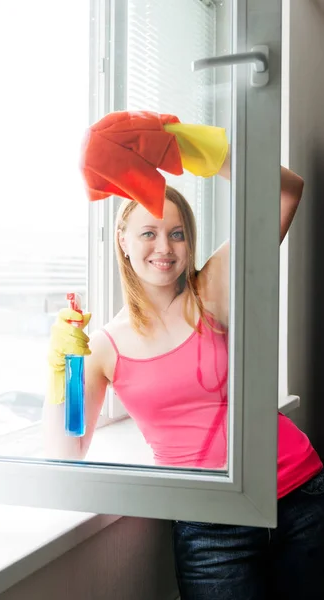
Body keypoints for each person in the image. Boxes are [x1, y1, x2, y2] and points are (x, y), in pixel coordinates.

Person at [43, 150, 324, 599]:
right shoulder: (101, 347)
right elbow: (65, 451)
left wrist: (195, 150)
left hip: (299, 495)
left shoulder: (210, 290)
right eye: (149, 233)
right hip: (211, 526)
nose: (164, 247)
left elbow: (287, 191)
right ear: (122, 239)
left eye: (177, 234)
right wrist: (64, 366)